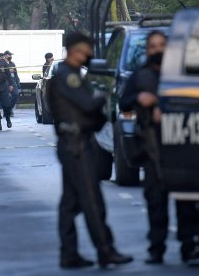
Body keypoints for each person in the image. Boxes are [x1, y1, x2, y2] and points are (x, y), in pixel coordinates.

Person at [47, 31, 133, 269]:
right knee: (92, 200)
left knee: (70, 203)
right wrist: (102, 96)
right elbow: (87, 105)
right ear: (75, 50)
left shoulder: (70, 74)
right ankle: (105, 250)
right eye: (87, 50)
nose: (91, 55)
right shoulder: (68, 77)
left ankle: (69, 253)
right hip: (77, 146)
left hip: (73, 143)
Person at [118, 31, 169, 264]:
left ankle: (193, 248)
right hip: (151, 145)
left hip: (183, 145)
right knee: (155, 199)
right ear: (148, 50)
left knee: (188, 203)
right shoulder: (140, 75)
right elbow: (123, 102)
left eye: (162, 45)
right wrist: (140, 97)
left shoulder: (180, 73)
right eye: (153, 46)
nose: (158, 50)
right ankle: (156, 248)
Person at [0, 50, 20, 128]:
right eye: (9, 55)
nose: (10, 56)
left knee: (15, 94)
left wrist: (18, 84)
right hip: (5, 83)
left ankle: (9, 109)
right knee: (6, 99)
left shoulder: (12, 64)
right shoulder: (1, 63)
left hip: (13, 82)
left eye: (11, 55)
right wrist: (8, 70)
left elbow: (16, 74)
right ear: (5, 55)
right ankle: (7, 112)